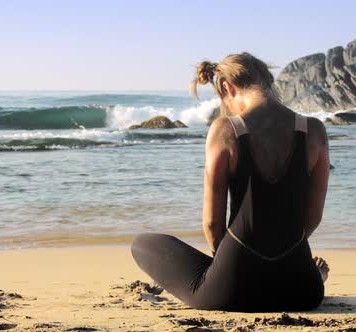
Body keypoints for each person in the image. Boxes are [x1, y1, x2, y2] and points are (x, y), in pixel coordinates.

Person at [131, 52, 330, 312]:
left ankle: (234, 269)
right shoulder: (314, 130)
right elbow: (312, 218)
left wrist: (228, 264)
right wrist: (285, 257)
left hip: (233, 292)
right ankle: (315, 274)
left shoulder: (225, 129)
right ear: (268, 81)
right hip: (302, 291)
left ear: (226, 87)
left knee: (143, 244)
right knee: (295, 264)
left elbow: (212, 224)